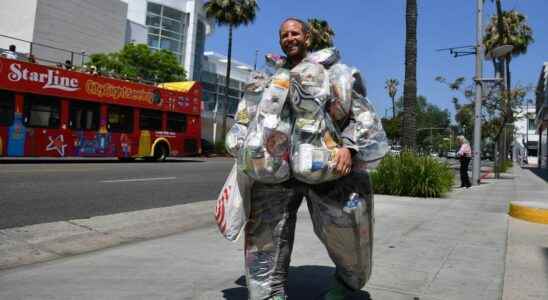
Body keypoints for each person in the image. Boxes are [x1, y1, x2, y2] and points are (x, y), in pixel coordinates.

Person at [224, 18, 388, 300]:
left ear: (307, 38)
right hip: (274, 171)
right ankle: (268, 293)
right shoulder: (268, 77)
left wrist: (348, 148)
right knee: (265, 238)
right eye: (284, 34)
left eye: (295, 33)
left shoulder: (334, 73)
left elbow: (360, 116)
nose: (290, 38)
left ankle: (347, 282)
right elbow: (248, 115)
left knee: (346, 235)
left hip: (328, 169)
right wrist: (240, 138)